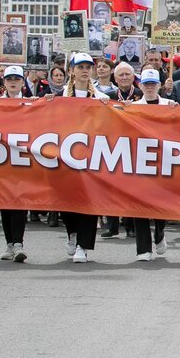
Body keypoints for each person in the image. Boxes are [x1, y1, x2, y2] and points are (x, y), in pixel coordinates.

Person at [55, 53, 109, 263]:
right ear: (72, 71)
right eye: (81, 67)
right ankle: (72, 233)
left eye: (88, 67)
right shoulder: (60, 96)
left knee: (89, 200)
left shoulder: (101, 97)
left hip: (92, 157)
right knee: (68, 201)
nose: (85, 70)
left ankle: (83, 246)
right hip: (66, 156)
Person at [130, 69, 173, 261]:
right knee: (139, 205)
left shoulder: (169, 106)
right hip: (139, 162)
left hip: (162, 161)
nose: (149, 87)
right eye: (146, 84)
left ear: (159, 86)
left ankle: (160, 233)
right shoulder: (132, 107)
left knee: (160, 205)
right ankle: (143, 249)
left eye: (153, 84)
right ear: (140, 86)